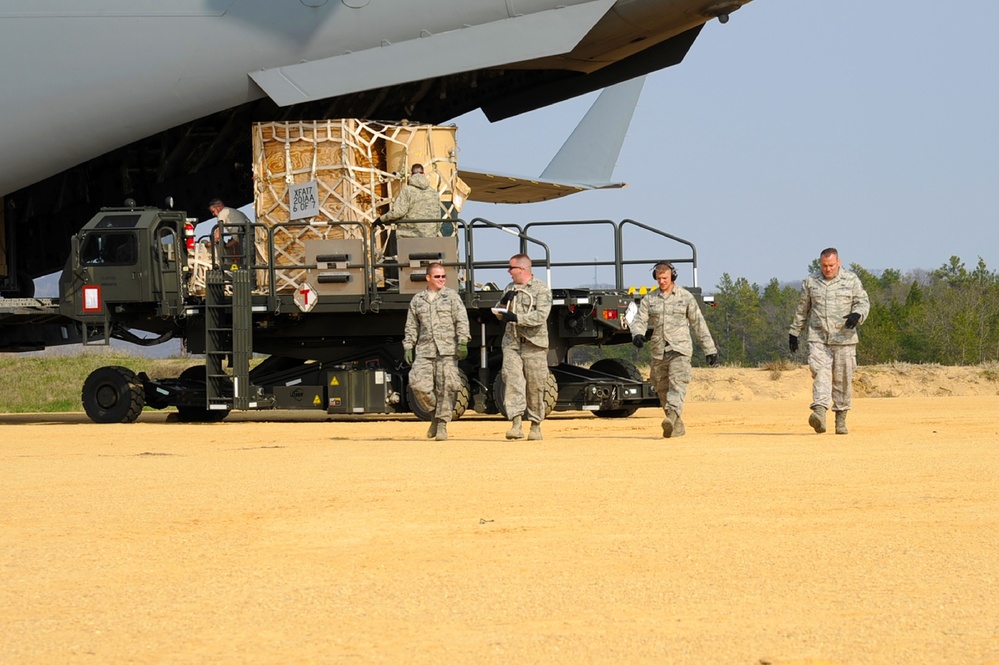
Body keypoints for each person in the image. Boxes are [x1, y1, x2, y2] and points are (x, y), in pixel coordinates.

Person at [630, 261, 719, 438]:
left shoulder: (685, 297)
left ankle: (671, 416)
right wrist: (637, 334)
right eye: (659, 278)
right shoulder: (650, 299)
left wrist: (710, 350)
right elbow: (639, 319)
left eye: (665, 277)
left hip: (680, 349)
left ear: (673, 276)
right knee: (661, 387)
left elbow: (698, 324)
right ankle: (676, 426)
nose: (662, 281)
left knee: (677, 385)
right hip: (659, 350)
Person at [788, 247, 870, 435]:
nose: (828, 269)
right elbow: (803, 309)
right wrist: (794, 332)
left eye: (831, 265)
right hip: (819, 338)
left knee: (843, 380)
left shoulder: (851, 280)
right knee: (820, 374)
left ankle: (840, 419)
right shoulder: (811, 282)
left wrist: (857, 315)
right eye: (824, 266)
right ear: (820, 264)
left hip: (845, 339)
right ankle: (819, 412)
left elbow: (863, 302)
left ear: (838, 263)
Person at [403, 262, 470, 441]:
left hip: (447, 350)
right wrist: (408, 346)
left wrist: (463, 342)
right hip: (425, 350)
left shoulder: (452, 297)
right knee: (418, 384)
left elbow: (461, 321)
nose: (441, 279)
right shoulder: (418, 300)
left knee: (447, 388)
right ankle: (434, 412)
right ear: (428, 278)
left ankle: (441, 424)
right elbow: (411, 326)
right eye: (437, 276)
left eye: (443, 276)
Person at [494, 254, 553, 441]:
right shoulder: (510, 288)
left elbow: (541, 316)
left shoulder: (541, 289)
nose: (508, 272)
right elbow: (499, 312)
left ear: (522, 269)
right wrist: (503, 302)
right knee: (513, 382)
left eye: (511, 268)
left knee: (536, 385)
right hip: (512, 344)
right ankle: (516, 424)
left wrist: (517, 318)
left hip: (533, 344)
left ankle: (535, 425)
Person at [375, 164, 442, 239]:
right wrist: (434, 233)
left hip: (409, 237)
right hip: (430, 237)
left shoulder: (407, 190)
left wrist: (381, 219)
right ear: (424, 174)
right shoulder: (433, 193)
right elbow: (438, 216)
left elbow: (398, 212)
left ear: (411, 174)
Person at [208, 198, 250, 268]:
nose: (213, 214)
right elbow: (237, 237)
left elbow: (218, 235)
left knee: (246, 262)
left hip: (245, 238)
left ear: (218, 207)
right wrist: (227, 245)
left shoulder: (222, 213)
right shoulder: (232, 213)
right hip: (248, 236)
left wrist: (208, 244)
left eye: (213, 211)